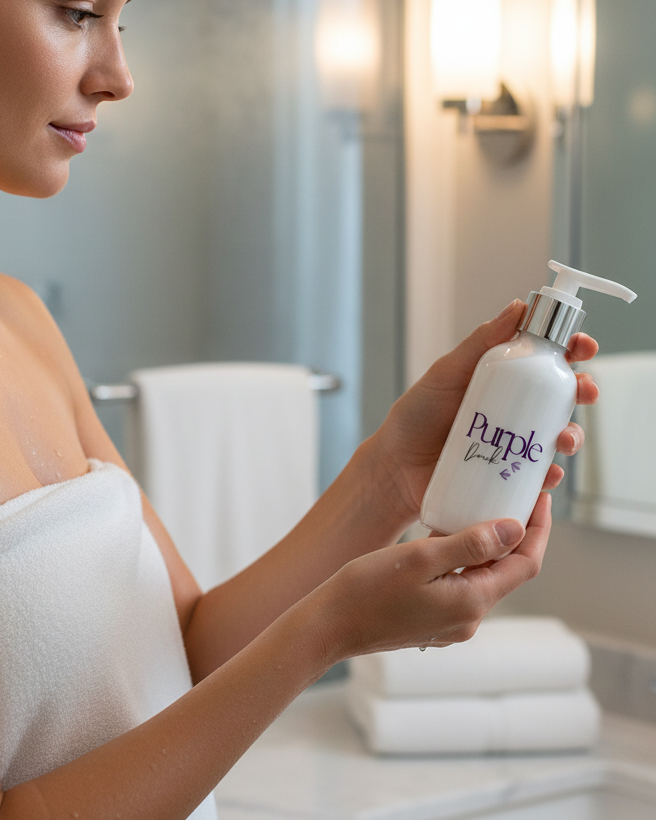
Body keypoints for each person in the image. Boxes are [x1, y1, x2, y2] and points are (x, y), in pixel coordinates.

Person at [0, 1, 600, 817]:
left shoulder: (24, 320)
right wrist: (325, 631)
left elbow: (185, 652)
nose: (118, 78)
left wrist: (390, 474)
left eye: (121, 25)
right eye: (75, 14)